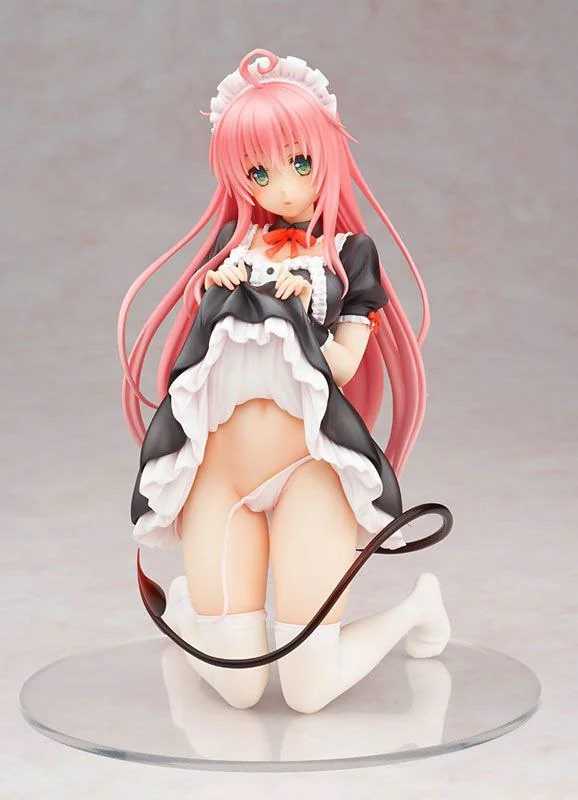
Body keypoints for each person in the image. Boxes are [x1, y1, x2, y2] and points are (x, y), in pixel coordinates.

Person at [118, 50, 453, 714]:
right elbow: (199, 362)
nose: (285, 187)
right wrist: (210, 292)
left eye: (300, 162)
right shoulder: (231, 246)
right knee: (241, 688)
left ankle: (417, 607)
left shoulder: (350, 255)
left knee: (308, 690)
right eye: (258, 171)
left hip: (309, 468)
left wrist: (303, 318)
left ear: (329, 152)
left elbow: (344, 368)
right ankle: (184, 613)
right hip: (219, 476)